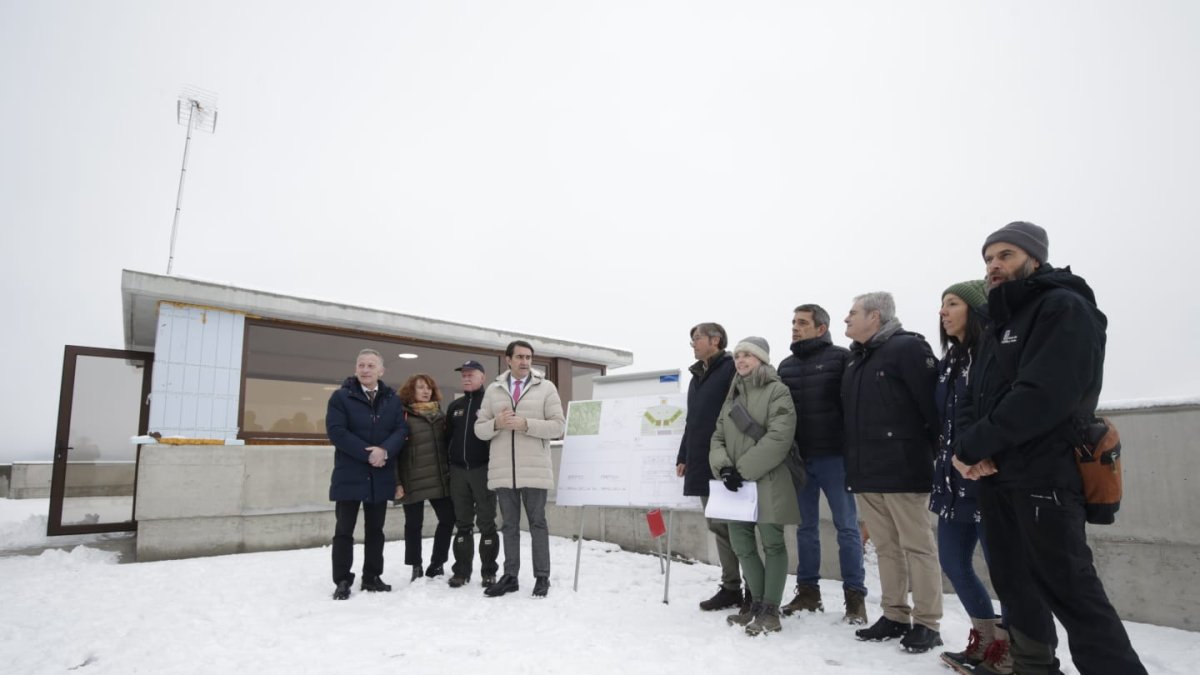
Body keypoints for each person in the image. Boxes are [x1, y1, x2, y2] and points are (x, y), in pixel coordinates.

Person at [953, 222, 1147, 675]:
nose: (994, 266)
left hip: (1046, 474)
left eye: (1006, 255)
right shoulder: (997, 321)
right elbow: (971, 395)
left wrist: (978, 442)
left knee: (1071, 590)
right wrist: (968, 448)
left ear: (1034, 259)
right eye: (988, 258)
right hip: (996, 475)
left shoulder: (1064, 307)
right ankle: (1033, 668)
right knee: (1014, 585)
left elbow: (1045, 394)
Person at [841, 292, 943, 653]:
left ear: (875, 316)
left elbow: (934, 409)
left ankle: (928, 622)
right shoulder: (856, 360)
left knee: (918, 546)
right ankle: (895, 615)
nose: (846, 320)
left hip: (904, 468)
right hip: (866, 472)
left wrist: (932, 455)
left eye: (852, 313)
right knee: (885, 547)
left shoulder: (909, 349)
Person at [931, 280, 1013, 674]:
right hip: (952, 478)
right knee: (953, 561)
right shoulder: (951, 360)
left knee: (1005, 570)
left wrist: (982, 453)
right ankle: (984, 638)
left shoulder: (992, 353)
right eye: (942, 305)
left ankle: (1011, 647)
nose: (943, 312)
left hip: (986, 476)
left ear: (976, 310)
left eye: (952, 304)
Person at [777, 304, 868, 624]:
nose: (795, 327)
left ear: (821, 328)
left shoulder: (842, 358)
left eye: (802, 323)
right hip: (800, 461)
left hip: (835, 458)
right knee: (805, 528)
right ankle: (808, 593)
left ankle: (855, 598)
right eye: (793, 322)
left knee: (847, 527)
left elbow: (856, 405)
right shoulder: (784, 366)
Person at [710, 337, 799, 635]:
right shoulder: (732, 395)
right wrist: (724, 467)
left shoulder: (778, 391)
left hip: (769, 479)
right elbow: (717, 436)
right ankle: (756, 604)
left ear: (761, 359)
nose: (741, 360)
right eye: (737, 355)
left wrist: (742, 470)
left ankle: (770, 610)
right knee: (743, 545)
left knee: (772, 544)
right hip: (735, 485)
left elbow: (779, 437)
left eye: (748, 354)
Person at [475, 340, 565, 598]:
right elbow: (479, 430)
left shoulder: (546, 387)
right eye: (520, 357)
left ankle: (542, 577)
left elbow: (558, 426)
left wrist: (525, 423)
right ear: (508, 360)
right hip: (504, 472)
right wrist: (497, 423)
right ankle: (510, 576)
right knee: (509, 526)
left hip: (535, 470)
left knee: (538, 524)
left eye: (529, 357)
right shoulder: (493, 390)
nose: (525, 362)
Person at [325, 348, 408, 600]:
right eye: (361, 365)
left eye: (371, 366)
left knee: (376, 530)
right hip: (350, 474)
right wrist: (368, 453)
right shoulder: (341, 398)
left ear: (381, 371)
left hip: (380, 476)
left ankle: (372, 576)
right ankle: (342, 579)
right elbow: (337, 432)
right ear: (355, 369)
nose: (365, 370)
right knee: (344, 530)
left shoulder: (392, 399)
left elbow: (401, 430)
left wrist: (384, 450)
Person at [675, 322, 742, 612]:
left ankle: (754, 589)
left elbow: (740, 416)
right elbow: (693, 421)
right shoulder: (697, 377)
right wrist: (683, 455)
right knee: (717, 525)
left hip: (727, 463)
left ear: (715, 340)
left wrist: (735, 458)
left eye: (697, 338)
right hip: (702, 461)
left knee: (738, 528)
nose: (693, 343)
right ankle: (731, 588)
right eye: (692, 339)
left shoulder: (731, 370)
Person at [395, 373, 455, 582]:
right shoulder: (401, 415)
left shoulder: (440, 415)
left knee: (448, 519)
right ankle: (415, 565)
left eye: (428, 387)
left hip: (439, 478)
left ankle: (437, 563)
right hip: (411, 479)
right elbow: (394, 451)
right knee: (413, 524)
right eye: (420, 387)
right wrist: (397, 482)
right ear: (411, 390)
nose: (426, 391)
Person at [446, 360, 500, 589]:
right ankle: (461, 571)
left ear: (482, 377)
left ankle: (488, 571)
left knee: (487, 524)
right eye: (464, 375)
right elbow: (447, 439)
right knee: (462, 524)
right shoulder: (455, 406)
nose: (466, 378)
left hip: (483, 471)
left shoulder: (491, 405)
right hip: (459, 473)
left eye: (471, 374)